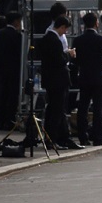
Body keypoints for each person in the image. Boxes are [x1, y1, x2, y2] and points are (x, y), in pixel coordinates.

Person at [36, 16, 78, 149]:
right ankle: (53, 139)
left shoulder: (45, 39)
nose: (65, 32)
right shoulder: (55, 41)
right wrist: (68, 53)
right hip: (59, 80)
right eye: (65, 29)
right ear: (62, 27)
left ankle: (50, 137)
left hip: (49, 80)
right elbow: (59, 60)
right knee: (57, 111)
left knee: (51, 110)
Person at [73, 13, 102, 146]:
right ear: (96, 23)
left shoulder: (77, 40)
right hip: (98, 77)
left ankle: (83, 136)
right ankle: (97, 136)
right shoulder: (101, 39)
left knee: (83, 107)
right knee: (98, 109)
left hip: (83, 76)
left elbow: (75, 60)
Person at [0, 11, 23, 130]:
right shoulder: (17, 36)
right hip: (14, 70)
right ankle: (9, 121)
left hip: (0, 69)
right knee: (12, 96)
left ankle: (0, 120)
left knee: (1, 95)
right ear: (16, 21)